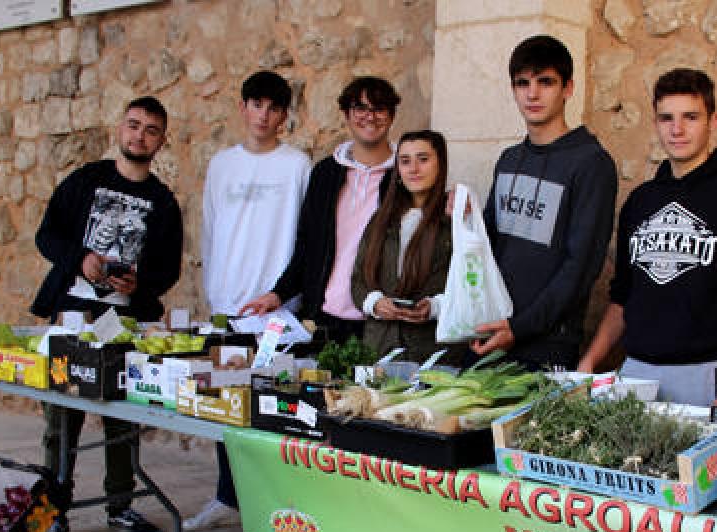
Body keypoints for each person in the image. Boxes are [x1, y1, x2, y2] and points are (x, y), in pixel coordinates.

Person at [30, 96, 183, 532]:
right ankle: (54, 511)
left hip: (125, 321)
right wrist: (82, 258)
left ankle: (121, 503)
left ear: (161, 140)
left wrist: (141, 283)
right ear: (120, 128)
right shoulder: (85, 181)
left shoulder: (162, 202)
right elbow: (46, 234)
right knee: (61, 419)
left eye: (151, 129)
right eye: (133, 125)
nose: (139, 135)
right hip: (72, 315)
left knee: (124, 418)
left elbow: (168, 270)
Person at [577, 69, 717, 407]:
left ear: (714, 121)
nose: (677, 129)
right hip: (635, 372)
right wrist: (590, 362)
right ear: (655, 123)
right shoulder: (640, 201)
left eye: (690, 117)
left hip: (704, 375)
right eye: (666, 118)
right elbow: (622, 297)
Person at [188, 71, 310, 532]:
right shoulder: (221, 165)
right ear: (242, 108)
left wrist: (284, 294)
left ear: (284, 115)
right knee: (225, 403)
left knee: (269, 411)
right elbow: (211, 230)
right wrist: (216, 292)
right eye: (255, 104)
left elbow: (303, 237)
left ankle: (269, 510)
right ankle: (226, 497)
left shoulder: (297, 165)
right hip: (228, 304)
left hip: (277, 311)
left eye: (273, 107)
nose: (263, 115)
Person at [472, 35, 618, 370]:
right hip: (491, 336)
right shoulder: (508, 160)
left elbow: (580, 269)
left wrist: (519, 327)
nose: (532, 94)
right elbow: (491, 247)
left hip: (546, 345)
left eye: (545, 82)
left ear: (568, 88)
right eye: (522, 83)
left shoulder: (591, 164)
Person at [240, 76, 400, 342]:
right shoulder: (326, 173)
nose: (369, 116)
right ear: (346, 115)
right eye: (360, 108)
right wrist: (278, 293)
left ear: (391, 116)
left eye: (379, 108)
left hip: (378, 322)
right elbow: (306, 245)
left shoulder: (404, 177)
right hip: (324, 317)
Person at [350, 129, 464, 365]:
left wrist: (435, 307)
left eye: (423, 159)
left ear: (440, 164)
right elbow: (358, 278)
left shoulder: (456, 219)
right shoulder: (381, 219)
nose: (413, 169)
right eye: (405, 161)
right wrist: (375, 304)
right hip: (380, 347)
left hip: (432, 351)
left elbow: (473, 286)